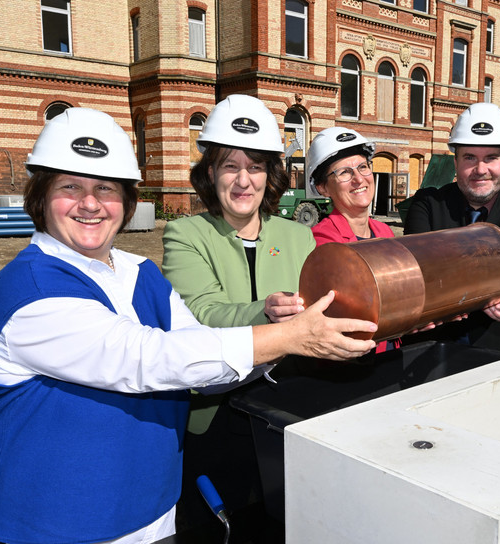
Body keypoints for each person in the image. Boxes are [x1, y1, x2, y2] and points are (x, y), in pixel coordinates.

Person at [0, 107, 376, 544]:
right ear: (40, 197)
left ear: (128, 201)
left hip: (145, 516)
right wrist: (290, 335)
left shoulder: (138, 274)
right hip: (37, 523)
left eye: (106, 188)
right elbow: (146, 358)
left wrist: (297, 344)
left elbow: (203, 362)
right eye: (70, 186)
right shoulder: (32, 288)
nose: (90, 203)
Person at [159, 94, 315, 523]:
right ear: (210, 173)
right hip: (216, 414)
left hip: (286, 409)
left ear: (270, 174)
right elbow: (202, 313)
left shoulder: (299, 236)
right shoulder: (186, 234)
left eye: (256, 166)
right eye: (231, 166)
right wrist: (264, 312)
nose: (244, 180)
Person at [403, 102, 500, 355]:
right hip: (430, 349)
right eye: (470, 158)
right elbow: (421, 267)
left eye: (491, 158)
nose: (481, 170)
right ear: (455, 161)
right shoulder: (426, 205)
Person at [306, 126, 399, 352]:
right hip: (353, 362)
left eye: (363, 167)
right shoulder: (324, 242)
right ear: (322, 187)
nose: (359, 179)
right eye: (345, 172)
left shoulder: (385, 232)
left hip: (388, 351)